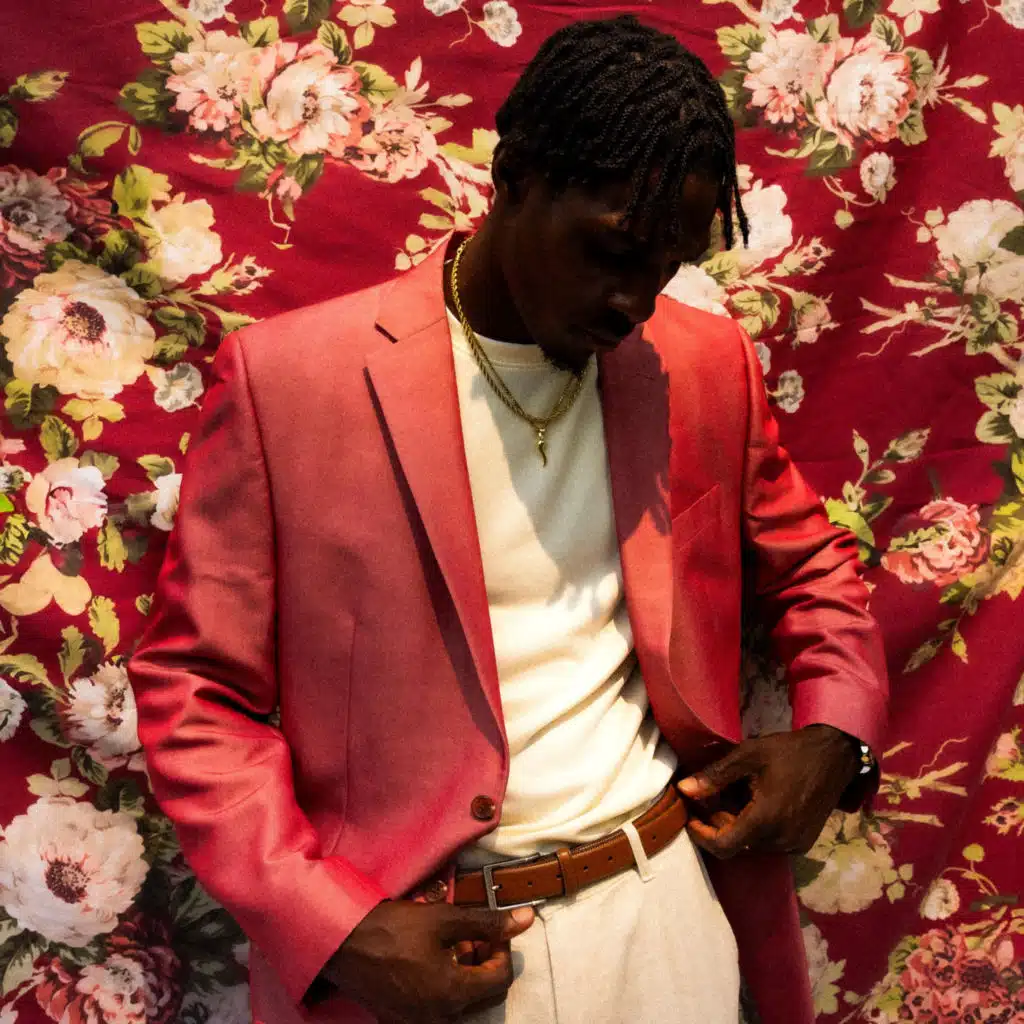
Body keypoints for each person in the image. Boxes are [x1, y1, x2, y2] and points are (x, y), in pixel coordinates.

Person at [129, 14, 889, 1024]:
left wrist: (835, 739)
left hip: (664, 915)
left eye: (665, 263)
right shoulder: (291, 383)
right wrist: (336, 928)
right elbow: (195, 693)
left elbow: (814, 571)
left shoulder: (703, 364)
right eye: (610, 249)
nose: (633, 300)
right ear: (514, 178)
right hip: (426, 952)